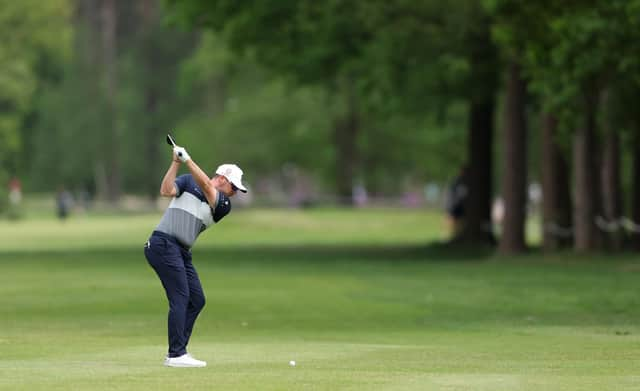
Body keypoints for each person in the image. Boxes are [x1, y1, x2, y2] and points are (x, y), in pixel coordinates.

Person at [144, 143, 247, 368]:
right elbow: (166, 190)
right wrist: (175, 162)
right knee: (180, 297)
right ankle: (176, 355)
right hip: (162, 244)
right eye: (234, 187)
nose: (235, 193)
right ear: (223, 178)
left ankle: (179, 351)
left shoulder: (223, 204)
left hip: (180, 251)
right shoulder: (188, 181)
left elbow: (208, 187)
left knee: (197, 299)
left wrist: (188, 159)